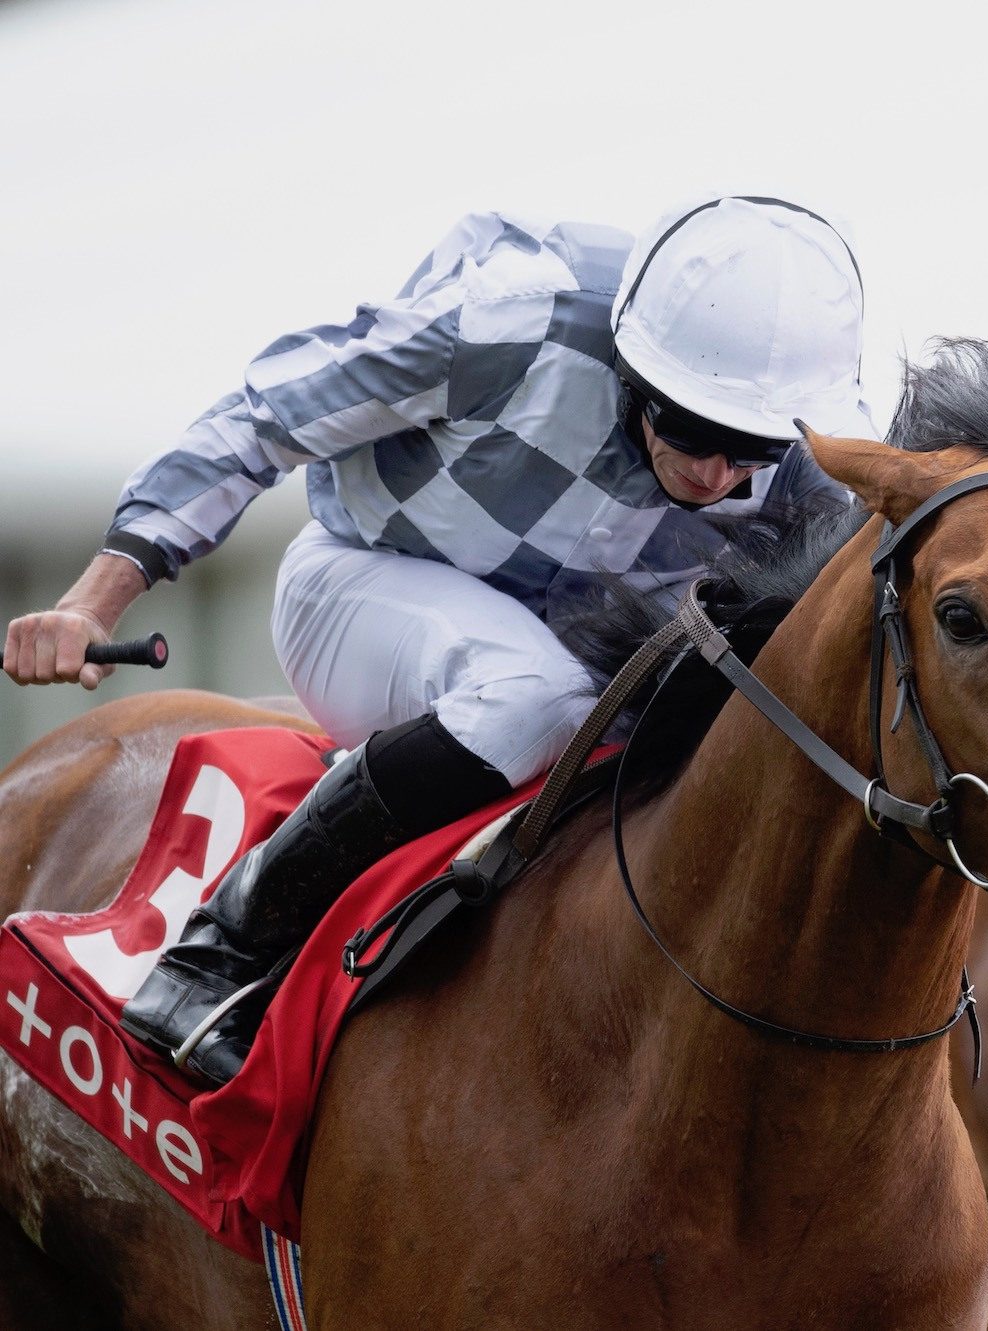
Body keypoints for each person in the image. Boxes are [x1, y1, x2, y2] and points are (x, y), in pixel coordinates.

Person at [3, 193, 875, 1083]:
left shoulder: (806, 446)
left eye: (749, 456)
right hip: (360, 586)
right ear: (634, 367)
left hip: (582, 669)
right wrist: (92, 601)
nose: (715, 473)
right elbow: (262, 419)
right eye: (691, 431)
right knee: (537, 697)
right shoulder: (508, 322)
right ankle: (222, 946)